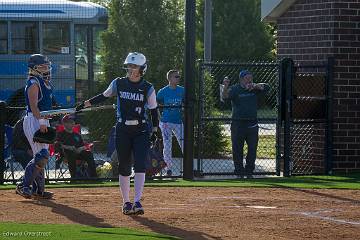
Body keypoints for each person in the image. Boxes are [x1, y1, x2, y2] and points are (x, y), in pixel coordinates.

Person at [77, 52, 159, 215]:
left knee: (141, 164)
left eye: (134, 66)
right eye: (129, 65)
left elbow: (154, 111)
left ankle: (137, 201)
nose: (130, 69)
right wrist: (85, 104)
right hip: (122, 129)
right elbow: (104, 96)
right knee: (124, 166)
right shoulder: (118, 83)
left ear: (142, 69)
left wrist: (155, 130)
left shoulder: (148, 87)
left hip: (141, 130)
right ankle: (126, 202)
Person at [15, 54, 54, 199]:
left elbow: (45, 107)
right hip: (34, 120)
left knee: (43, 156)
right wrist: (43, 122)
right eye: (42, 66)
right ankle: (24, 186)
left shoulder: (44, 82)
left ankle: (39, 190)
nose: (46, 69)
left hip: (43, 119)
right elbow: (34, 107)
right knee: (41, 156)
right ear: (34, 69)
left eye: (46, 66)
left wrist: (47, 119)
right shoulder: (33, 82)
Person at [221, 70, 270, 178]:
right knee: (237, 149)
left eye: (251, 78)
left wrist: (256, 86)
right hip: (238, 124)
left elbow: (267, 87)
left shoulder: (255, 89)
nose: (249, 80)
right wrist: (225, 86)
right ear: (241, 79)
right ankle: (239, 171)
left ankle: (249, 171)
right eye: (247, 78)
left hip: (252, 124)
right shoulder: (235, 89)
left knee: (252, 149)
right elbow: (224, 97)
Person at [156, 69, 184, 176]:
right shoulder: (162, 91)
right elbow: (155, 104)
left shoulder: (182, 90)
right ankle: (168, 168)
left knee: (184, 143)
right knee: (167, 145)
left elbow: (186, 103)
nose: (178, 78)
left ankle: (188, 167)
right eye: (176, 77)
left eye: (178, 76)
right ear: (170, 78)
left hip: (178, 122)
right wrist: (159, 119)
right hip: (166, 122)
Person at [55, 114, 97, 178]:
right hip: (66, 154)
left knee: (89, 154)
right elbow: (57, 145)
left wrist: (81, 148)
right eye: (70, 122)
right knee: (71, 153)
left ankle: (94, 177)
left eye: (73, 121)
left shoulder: (77, 135)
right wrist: (68, 147)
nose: (72, 123)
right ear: (64, 123)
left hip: (78, 152)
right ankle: (74, 178)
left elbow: (83, 145)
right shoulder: (60, 134)